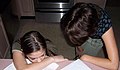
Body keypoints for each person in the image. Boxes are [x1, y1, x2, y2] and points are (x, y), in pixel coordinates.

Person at [60, 2, 119, 70]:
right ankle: (78, 58)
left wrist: (85, 58)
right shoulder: (77, 13)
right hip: (87, 29)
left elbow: (114, 65)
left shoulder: (105, 25)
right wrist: (78, 46)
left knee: (89, 59)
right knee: (80, 53)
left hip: (96, 38)